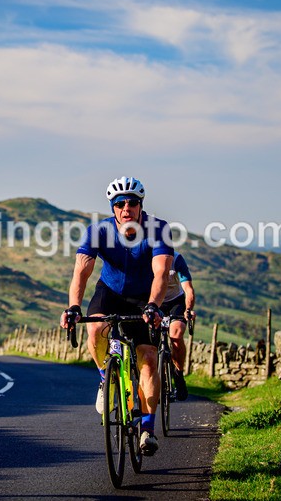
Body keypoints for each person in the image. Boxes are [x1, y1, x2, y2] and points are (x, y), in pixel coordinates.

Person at [60, 176, 173, 456]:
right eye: (119, 203)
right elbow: (81, 272)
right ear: (112, 208)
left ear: (140, 206)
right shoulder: (97, 231)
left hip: (143, 299)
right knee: (96, 330)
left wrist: (153, 306)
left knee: (148, 359)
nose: (126, 208)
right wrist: (74, 306)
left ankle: (147, 430)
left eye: (132, 203)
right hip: (109, 292)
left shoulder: (158, 230)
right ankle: (104, 377)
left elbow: (160, 274)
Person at [159, 251, 196, 400]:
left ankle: (178, 375)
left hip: (176, 302)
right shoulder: (144, 257)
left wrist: (188, 310)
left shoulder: (177, 259)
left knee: (176, 335)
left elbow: (188, 289)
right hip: (155, 303)